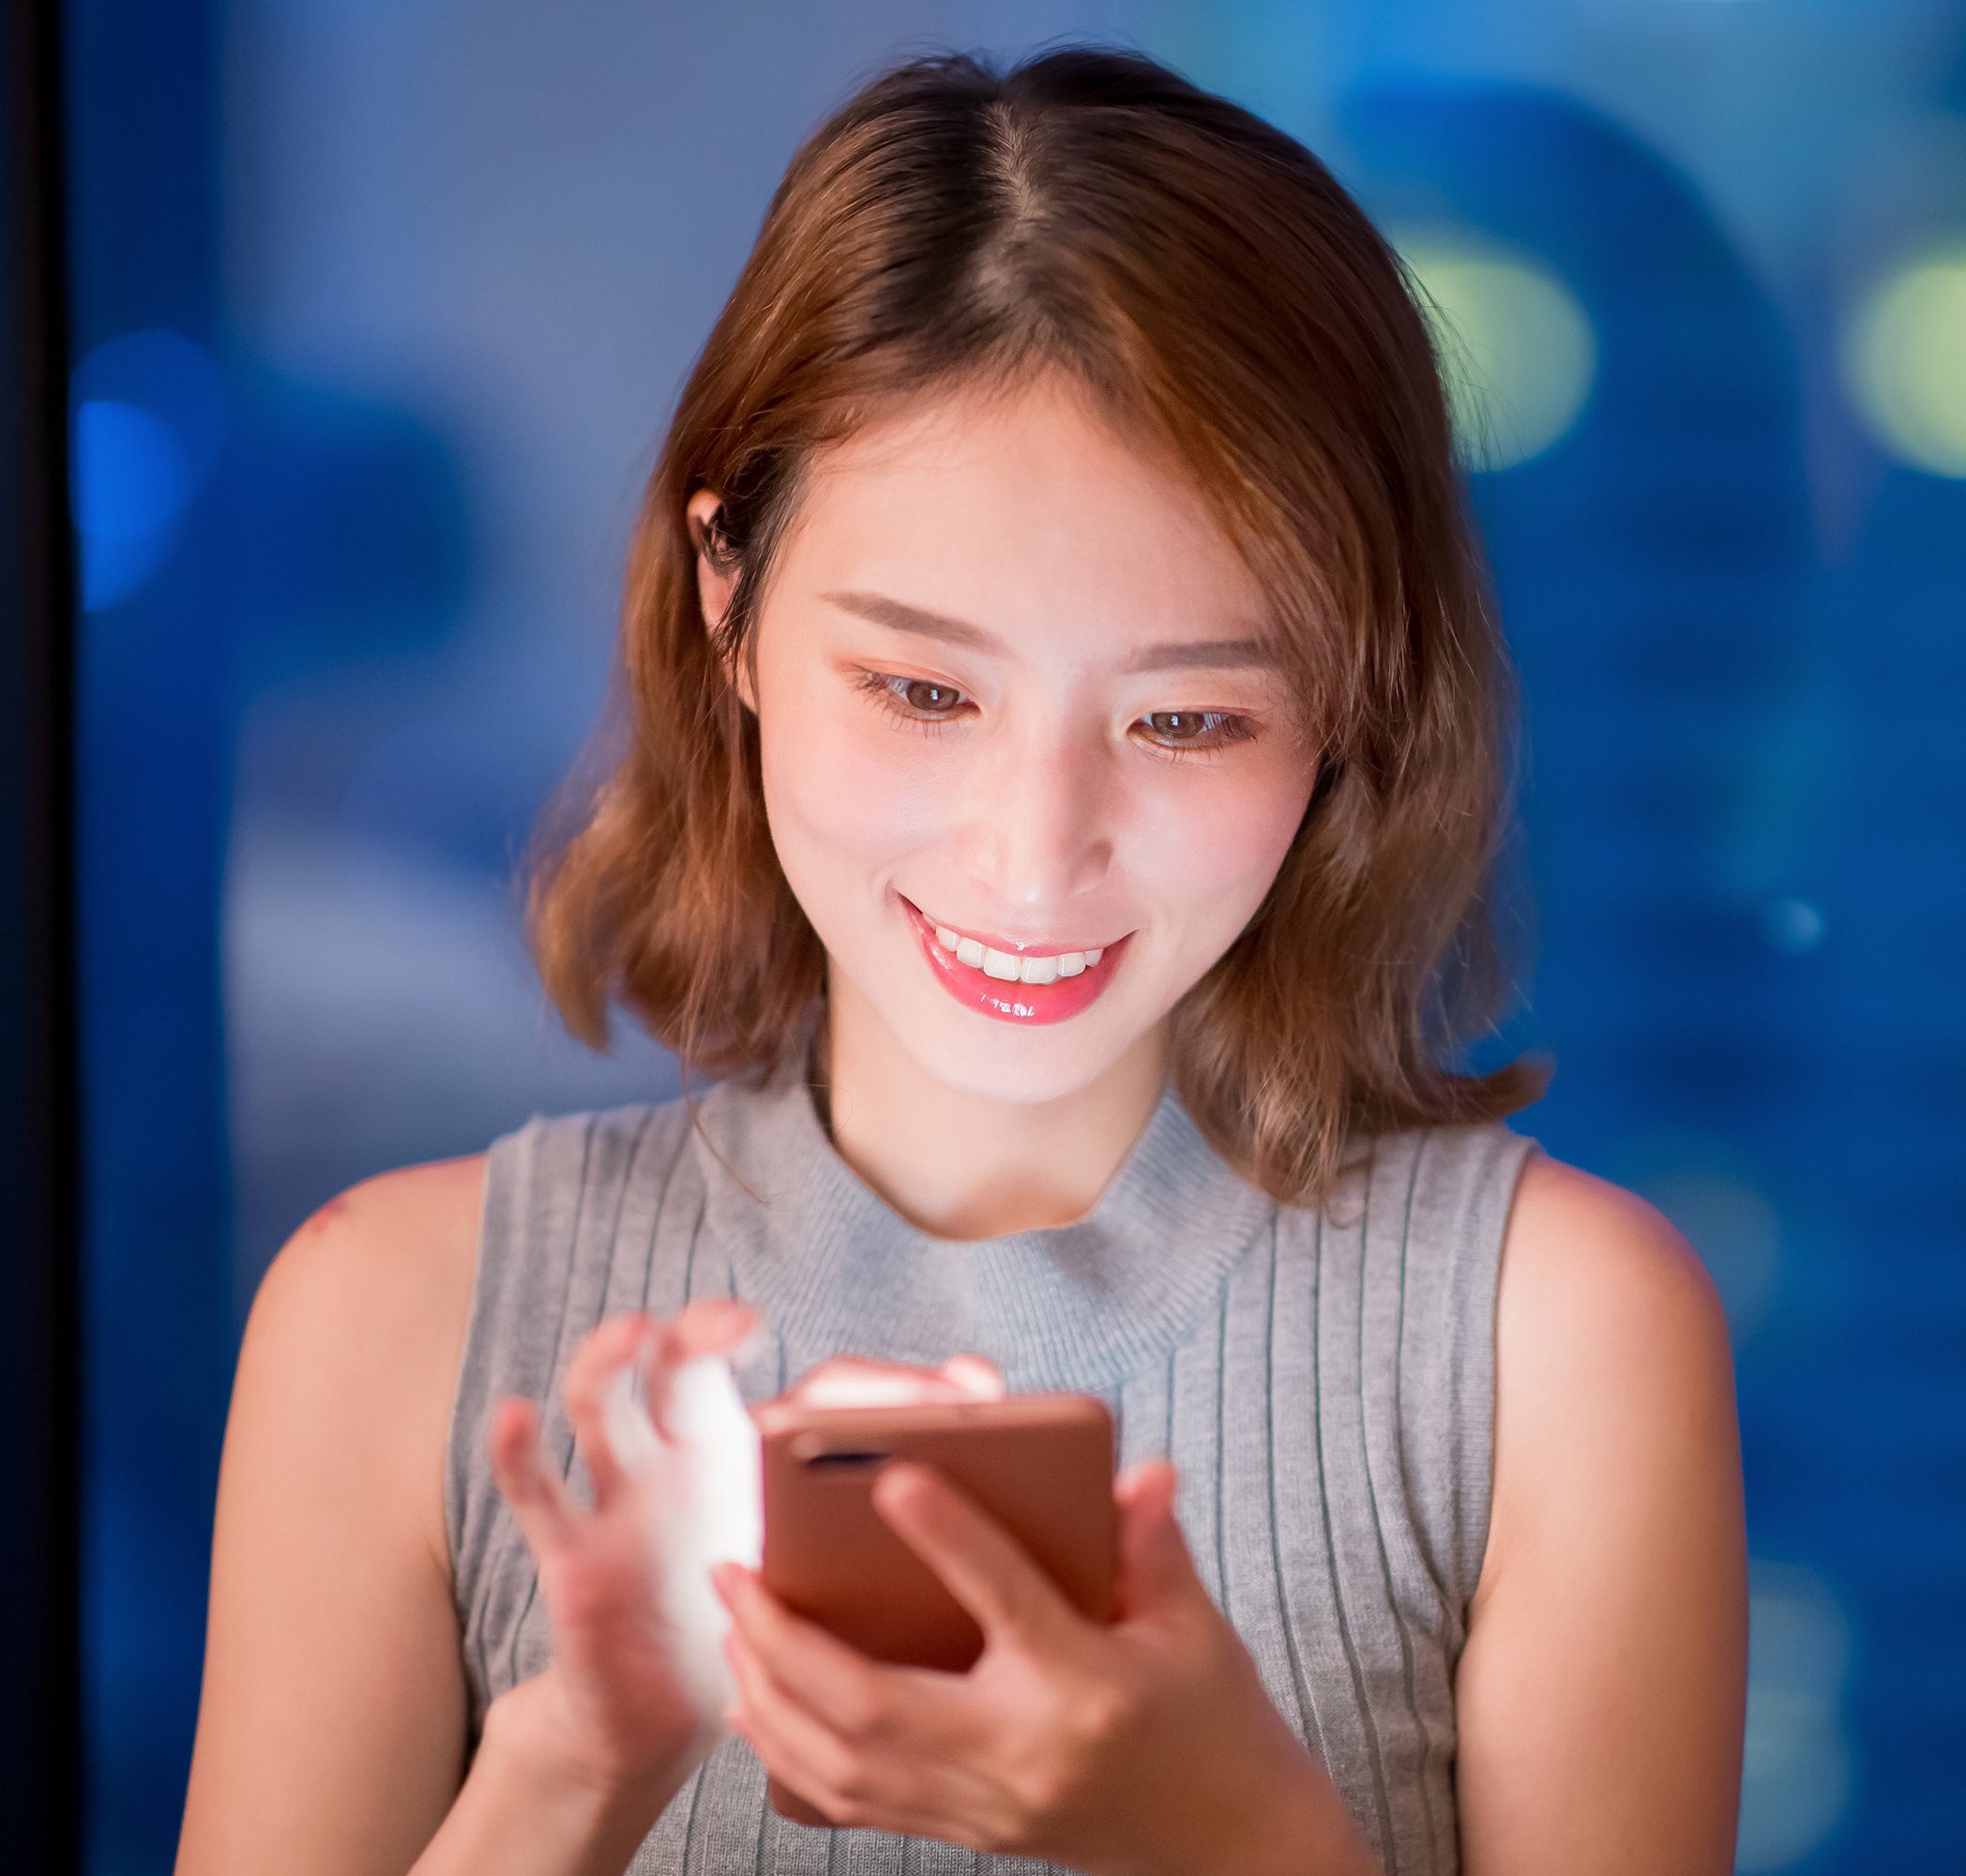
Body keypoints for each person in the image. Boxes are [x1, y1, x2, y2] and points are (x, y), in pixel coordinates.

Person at [175, 45, 1746, 1876]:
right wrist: (567, 1768)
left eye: (1183, 721)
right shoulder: (394, 1319)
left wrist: (1236, 1832)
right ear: (729, 606)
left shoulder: (1551, 1340)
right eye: (922, 689)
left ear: (1348, 711)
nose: (1033, 848)